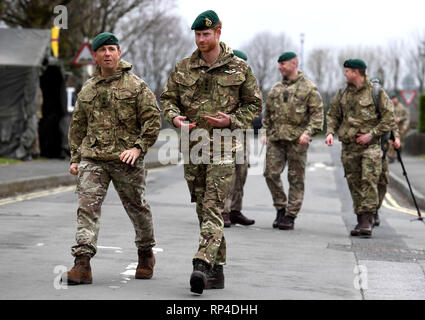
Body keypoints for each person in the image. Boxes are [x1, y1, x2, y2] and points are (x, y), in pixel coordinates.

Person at [160, 10, 262, 294]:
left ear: (219, 32)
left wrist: (232, 120)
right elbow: (168, 99)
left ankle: (202, 263)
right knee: (203, 208)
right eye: (197, 34)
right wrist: (175, 118)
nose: (201, 39)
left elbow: (254, 105)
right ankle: (217, 271)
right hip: (193, 149)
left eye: (206, 34)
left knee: (215, 205)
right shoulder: (183, 67)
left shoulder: (239, 68)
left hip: (224, 148)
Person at [63, 32, 161, 285]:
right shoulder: (88, 89)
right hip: (93, 159)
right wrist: (76, 157)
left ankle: (145, 253)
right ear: (95, 56)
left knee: (137, 208)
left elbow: (152, 121)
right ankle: (82, 263)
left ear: (119, 53)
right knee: (87, 208)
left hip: (126, 160)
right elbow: (78, 126)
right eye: (102, 50)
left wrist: (138, 149)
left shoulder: (136, 85)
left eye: (112, 49)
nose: (107, 53)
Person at [326, 59, 393, 237]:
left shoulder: (376, 92)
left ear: (357, 72)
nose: (345, 74)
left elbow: (389, 119)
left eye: (347, 71)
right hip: (349, 148)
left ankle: (367, 220)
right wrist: (330, 132)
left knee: (369, 180)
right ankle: (360, 217)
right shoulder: (342, 93)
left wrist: (371, 134)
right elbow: (332, 114)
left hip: (370, 146)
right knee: (353, 183)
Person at [261, 52, 323, 230]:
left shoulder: (309, 89)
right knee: (270, 174)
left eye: (283, 64)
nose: (280, 67)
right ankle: (281, 207)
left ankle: (290, 215)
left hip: (297, 140)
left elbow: (317, 117)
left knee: (295, 178)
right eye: (279, 64)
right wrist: (266, 132)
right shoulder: (275, 89)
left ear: (294, 63)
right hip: (276, 139)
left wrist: (308, 133)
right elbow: (268, 114)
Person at [222, 49, 255, 228]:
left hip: (243, 135)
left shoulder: (248, 85)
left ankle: (235, 210)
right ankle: (223, 211)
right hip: (226, 135)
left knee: (242, 172)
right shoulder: (223, 85)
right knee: (228, 173)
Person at [386, 93, 409, 162]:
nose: (394, 100)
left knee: (400, 143)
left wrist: (403, 123)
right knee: (391, 142)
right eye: (392, 99)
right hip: (392, 128)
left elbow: (406, 117)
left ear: (397, 99)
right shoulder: (389, 106)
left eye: (395, 99)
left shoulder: (401, 107)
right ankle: (391, 157)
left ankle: (399, 154)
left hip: (400, 128)